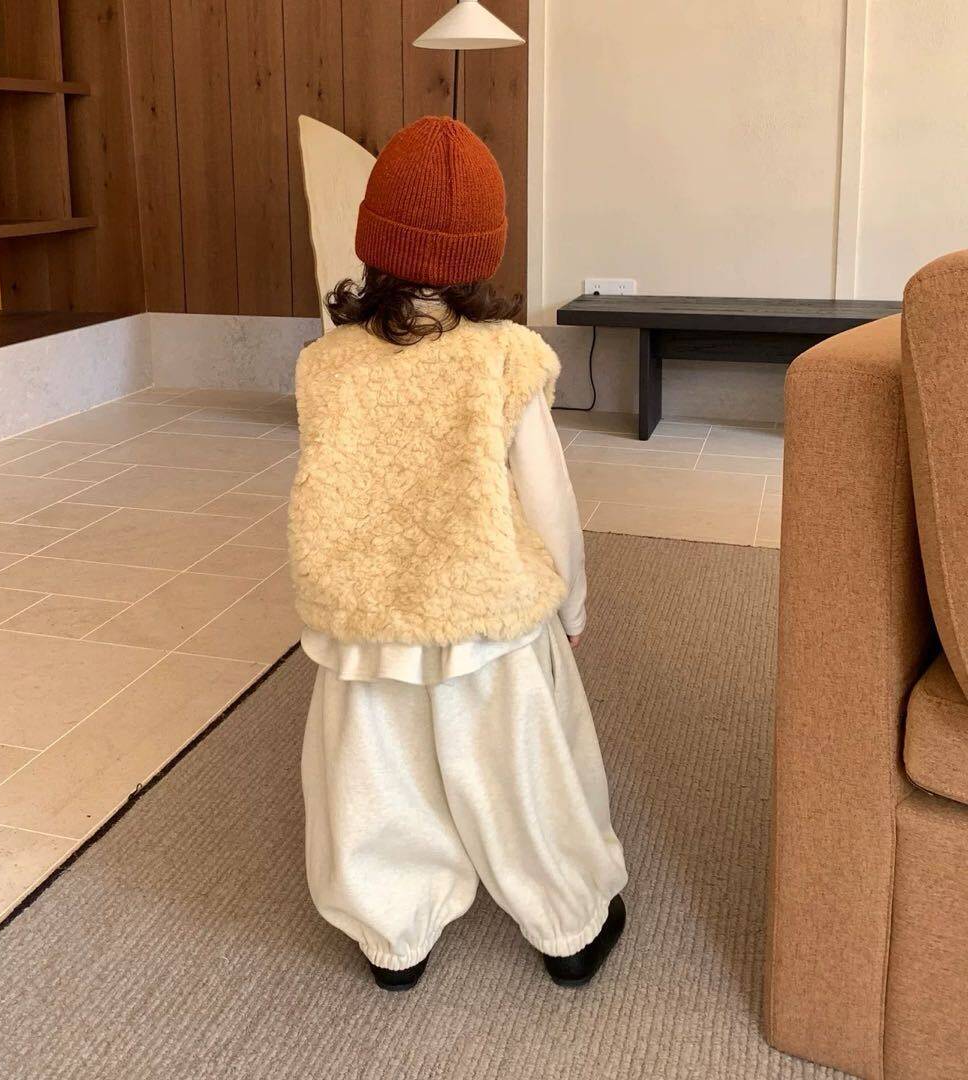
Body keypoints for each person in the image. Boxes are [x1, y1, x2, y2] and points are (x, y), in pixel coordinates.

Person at [289, 116, 628, 991]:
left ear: (373, 239)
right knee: (521, 777)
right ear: (486, 251)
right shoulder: (505, 358)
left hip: (366, 620)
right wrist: (572, 601)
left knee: (374, 781)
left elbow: (326, 482)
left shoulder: (326, 363)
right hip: (485, 620)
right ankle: (569, 927)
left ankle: (394, 940)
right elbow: (550, 502)